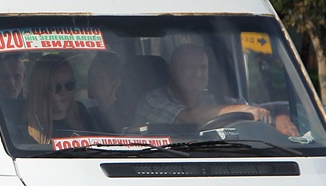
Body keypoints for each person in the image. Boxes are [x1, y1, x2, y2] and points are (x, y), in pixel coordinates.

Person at [135, 44, 298, 135]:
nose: (198, 74)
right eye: (189, 67)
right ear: (171, 70)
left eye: (203, 68)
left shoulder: (213, 100)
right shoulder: (151, 100)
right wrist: (244, 109)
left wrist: (281, 119)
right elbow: (188, 118)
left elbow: (261, 110)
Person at [22, 55, 94, 144]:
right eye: (57, 87)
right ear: (41, 90)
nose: (64, 92)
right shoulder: (24, 127)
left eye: (69, 85)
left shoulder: (81, 114)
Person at [85, 51, 125, 133]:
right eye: (89, 76)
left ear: (116, 82)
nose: (90, 83)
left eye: (97, 77)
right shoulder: (85, 116)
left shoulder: (127, 118)